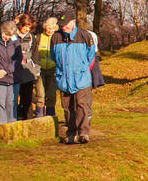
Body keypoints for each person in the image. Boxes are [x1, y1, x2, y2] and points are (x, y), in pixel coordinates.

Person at [51, 14, 97, 144]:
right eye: (62, 24)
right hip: (63, 79)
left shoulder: (85, 36)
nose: (63, 27)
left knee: (82, 105)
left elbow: (90, 55)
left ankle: (83, 133)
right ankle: (71, 133)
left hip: (81, 78)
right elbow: (53, 56)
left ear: (73, 22)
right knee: (67, 107)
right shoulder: (55, 37)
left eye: (66, 24)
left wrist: (81, 69)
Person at [14, 14, 40, 120]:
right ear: (20, 25)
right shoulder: (12, 35)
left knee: (27, 98)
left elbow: (35, 55)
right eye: (25, 26)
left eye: (29, 27)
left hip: (28, 70)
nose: (27, 29)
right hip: (15, 70)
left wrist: (36, 71)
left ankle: (28, 119)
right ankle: (15, 117)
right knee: (14, 97)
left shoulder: (32, 38)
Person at [35, 16, 59, 121]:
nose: (50, 30)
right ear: (45, 27)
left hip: (53, 69)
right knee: (40, 94)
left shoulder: (57, 38)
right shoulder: (38, 37)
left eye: (52, 29)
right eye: (48, 28)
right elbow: (34, 53)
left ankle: (50, 116)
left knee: (51, 94)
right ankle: (39, 116)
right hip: (40, 69)